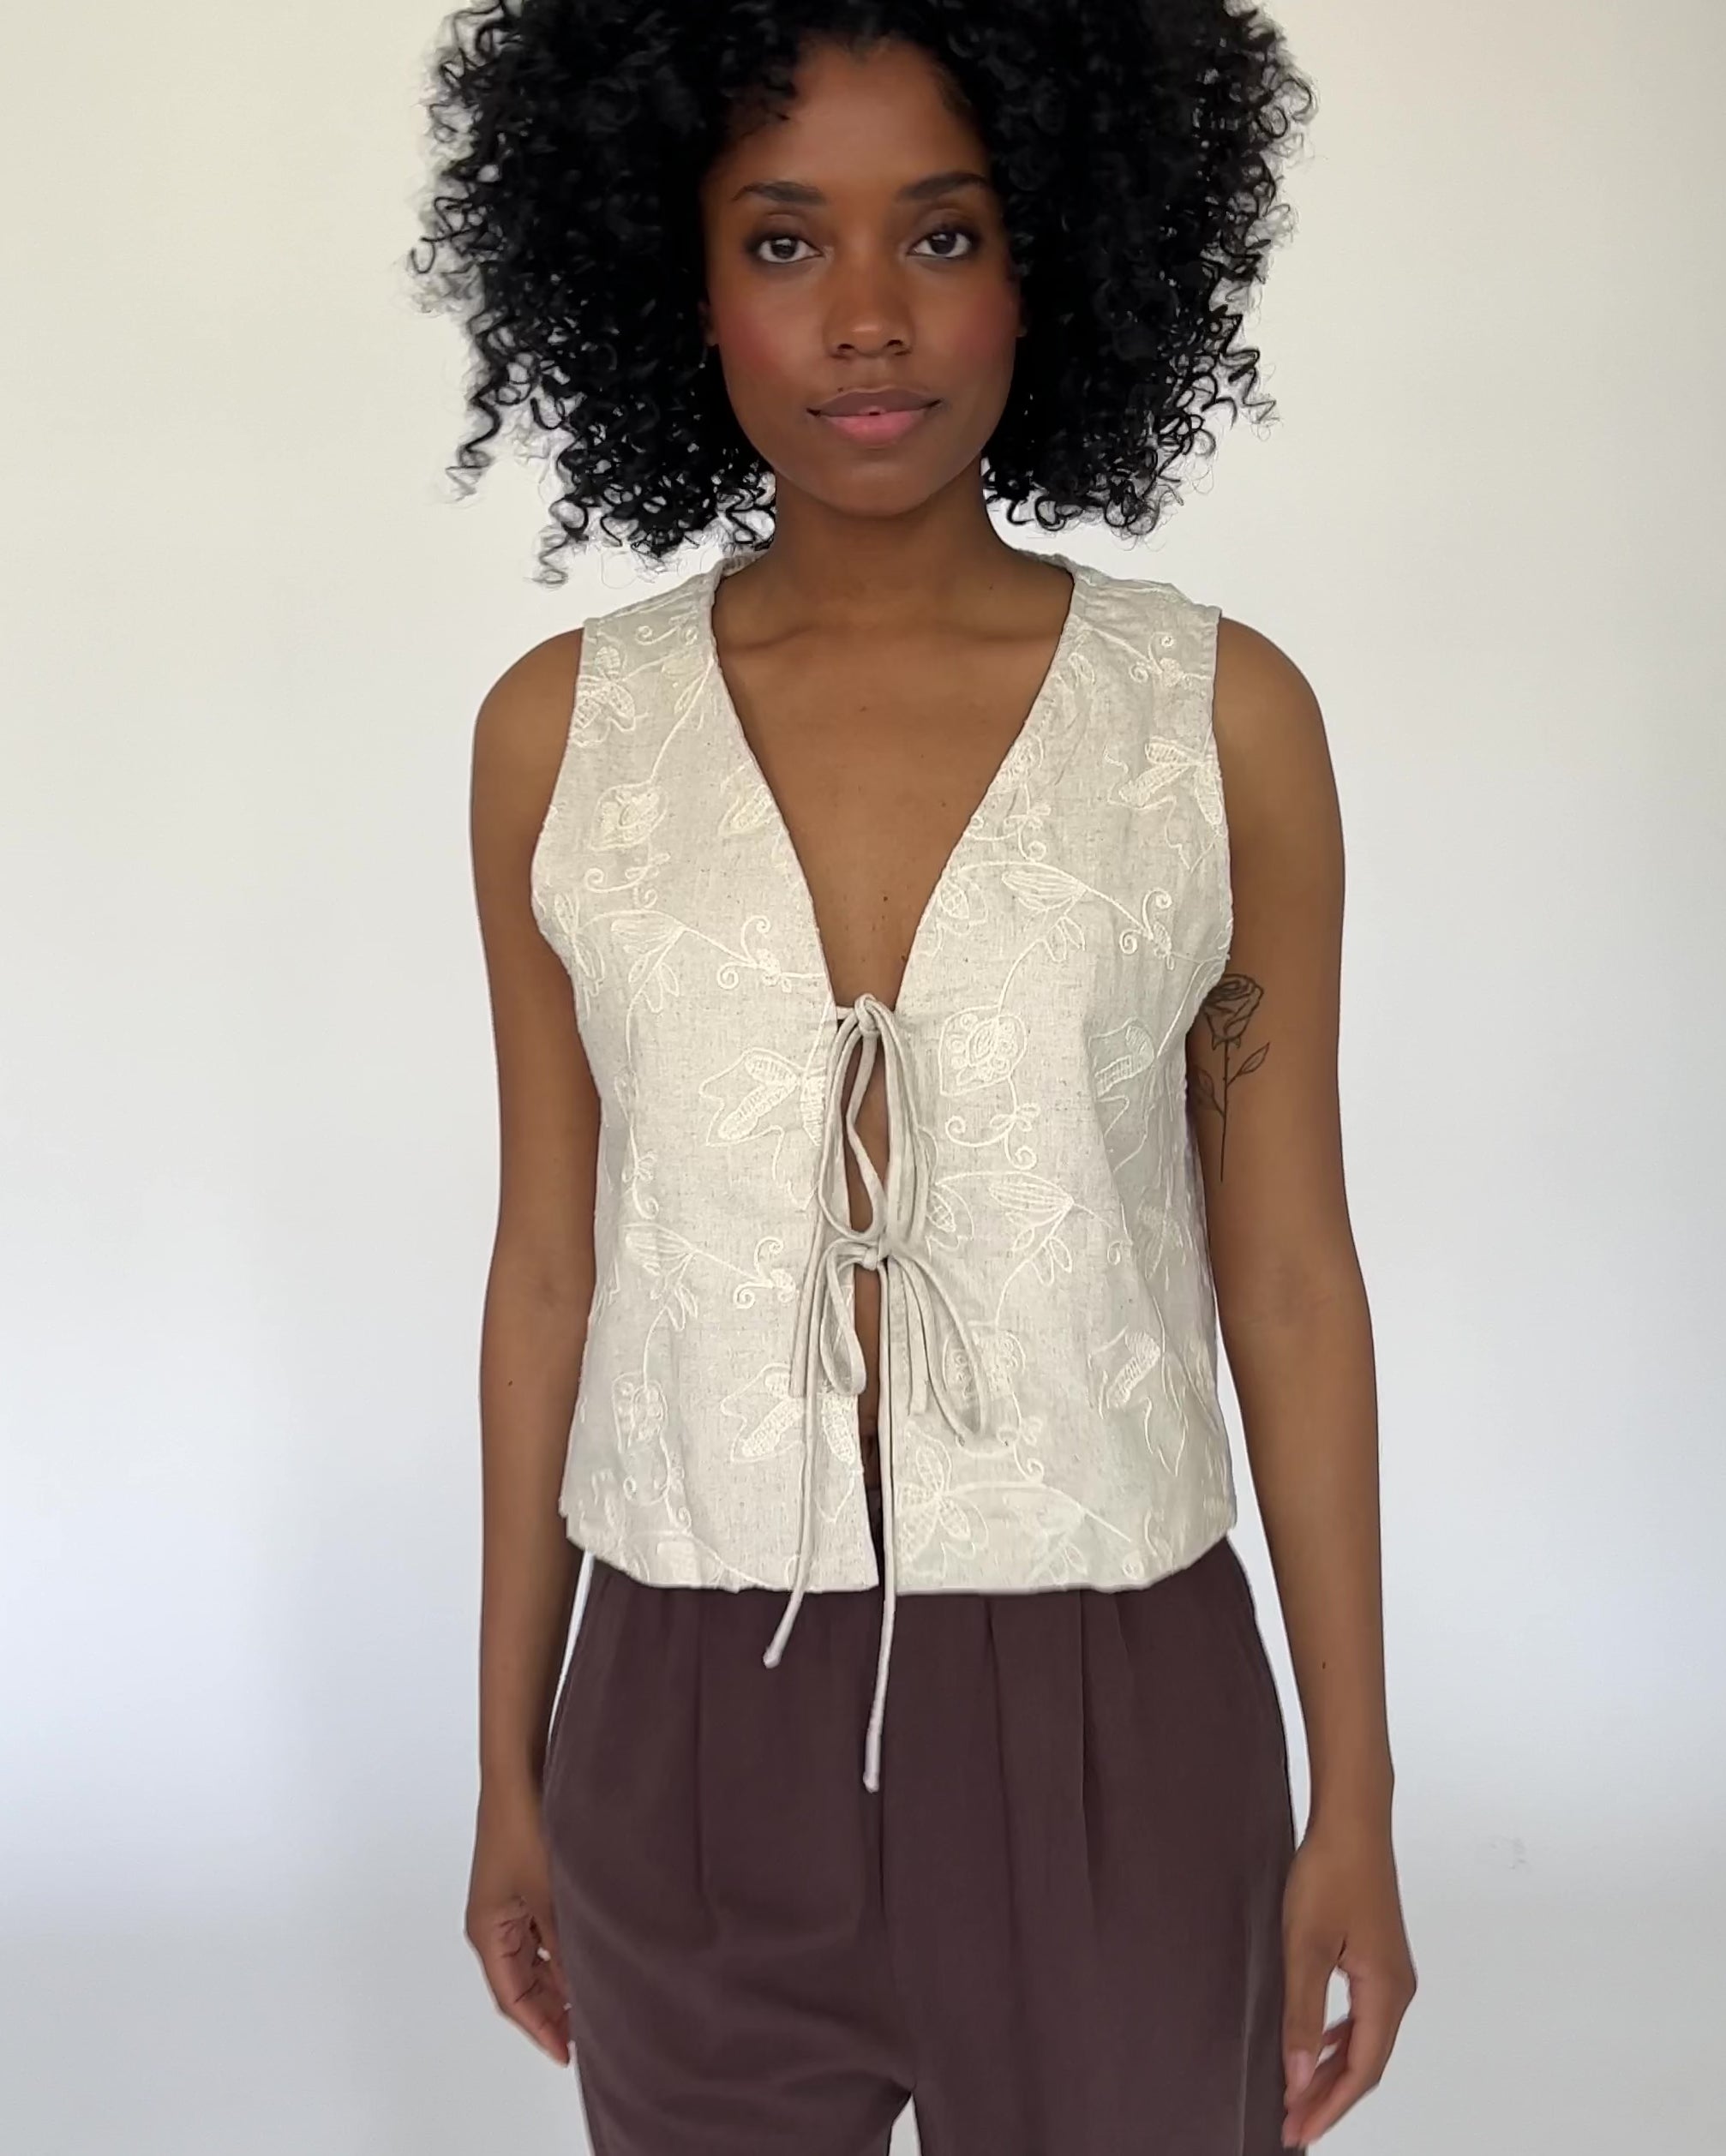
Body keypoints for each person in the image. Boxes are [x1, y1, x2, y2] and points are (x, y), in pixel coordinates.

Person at [412, 4, 1416, 2150]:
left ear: (1050, 262)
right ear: (677, 280)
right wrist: (507, 1761)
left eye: (941, 235)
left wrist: (1357, 1791)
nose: (866, 318)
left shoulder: (1210, 724)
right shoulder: (558, 740)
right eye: (783, 243)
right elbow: (546, 1275)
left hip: (1115, 1709)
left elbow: (1287, 1280)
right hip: (679, 1711)